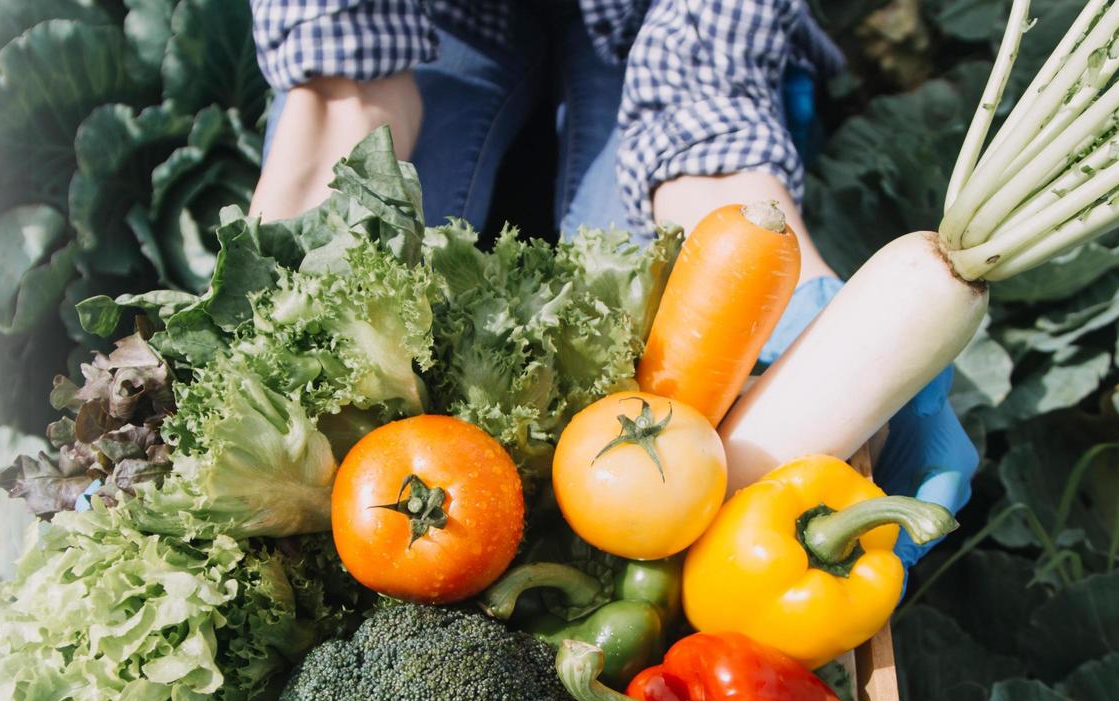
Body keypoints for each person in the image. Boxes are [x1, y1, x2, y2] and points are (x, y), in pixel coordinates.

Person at [246, 0, 973, 561]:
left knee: (650, 366)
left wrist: (745, 228)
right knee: (332, 275)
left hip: (657, 23)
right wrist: (344, 102)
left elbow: (705, 70)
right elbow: (342, 62)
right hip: (430, 16)